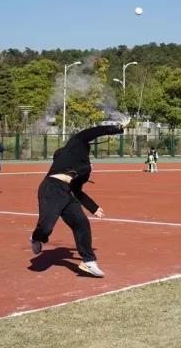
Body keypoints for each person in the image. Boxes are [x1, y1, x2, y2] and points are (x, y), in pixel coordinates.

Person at [30, 118, 130, 277]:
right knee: (46, 228)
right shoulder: (75, 143)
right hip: (51, 189)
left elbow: (77, 191)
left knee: (81, 223)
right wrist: (117, 128)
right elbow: (94, 131)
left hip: (66, 193)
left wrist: (93, 207)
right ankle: (36, 237)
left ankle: (88, 261)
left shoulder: (83, 168)